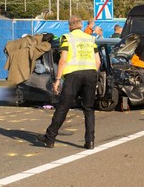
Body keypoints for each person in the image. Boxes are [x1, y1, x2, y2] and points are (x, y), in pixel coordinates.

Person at [38, 15, 101, 150]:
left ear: (70, 26)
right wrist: (92, 73)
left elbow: (63, 60)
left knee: (63, 107)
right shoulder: (91, 39)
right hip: (90, 74)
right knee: (88, 109)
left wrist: (57, 80)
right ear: (81, 25)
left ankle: (50, 138)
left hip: (73, 76)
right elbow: (98, 61)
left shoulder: (67, 38)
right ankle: (90, 141)